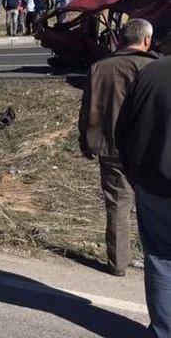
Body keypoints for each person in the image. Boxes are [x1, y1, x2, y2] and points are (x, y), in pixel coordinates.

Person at [79, 19, 158, 277]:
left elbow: (87, 108)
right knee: (156, 205)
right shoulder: (153, 67)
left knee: (117, 205)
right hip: (150, 149)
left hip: (111, 147)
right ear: (146, 40)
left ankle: (118, 263)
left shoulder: (99, 67)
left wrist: (85, 140)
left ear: (121, 39)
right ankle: (159, 260)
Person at [115, 45, 171, 336]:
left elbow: (123, 132)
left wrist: (135, 175)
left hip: (154, 186)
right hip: (152, 184)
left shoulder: (150, 74)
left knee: (161, 260)